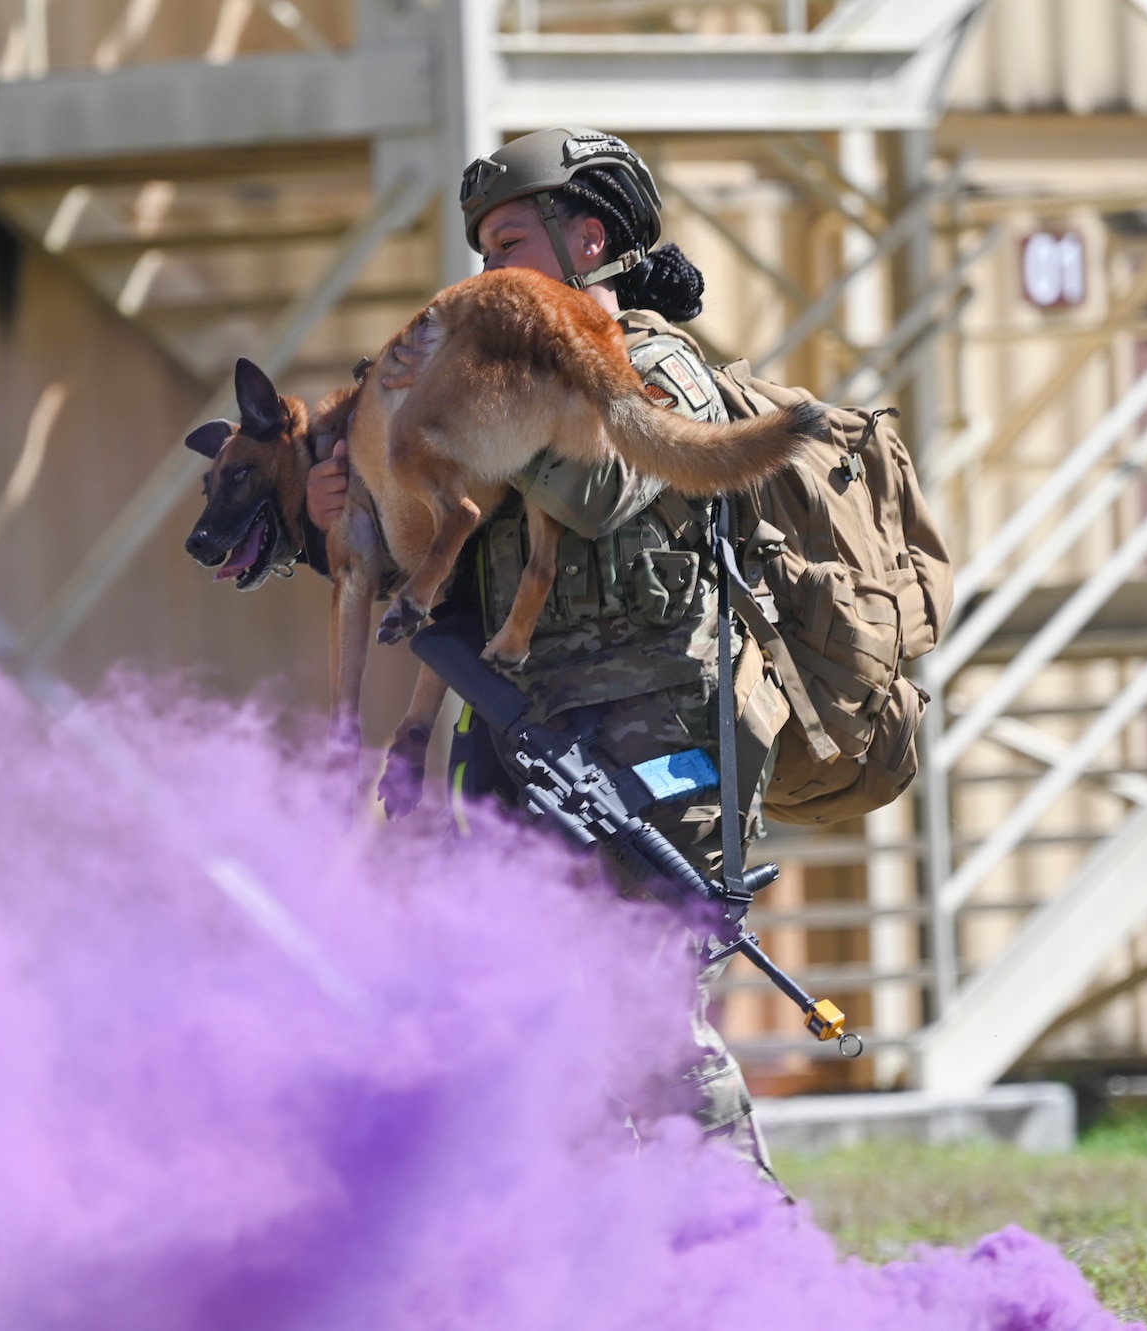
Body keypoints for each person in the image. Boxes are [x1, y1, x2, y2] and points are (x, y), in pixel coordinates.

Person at [306, 128, 789, 1178]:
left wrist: (472, 411)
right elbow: (432, 568)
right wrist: (344, 502)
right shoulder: (495, 376)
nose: (489, 275)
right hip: (529, 742)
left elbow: (607, 487)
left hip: (657, 738)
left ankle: (745, 1259)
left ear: (588, 236)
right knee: (545, 1040)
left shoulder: (655, 363)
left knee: (644, 1015)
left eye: (511, 242)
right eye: (480, 253)